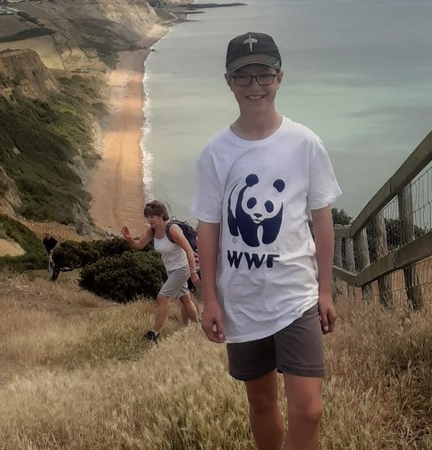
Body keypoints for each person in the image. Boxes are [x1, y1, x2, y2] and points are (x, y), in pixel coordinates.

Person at [190, 32, 342, 449]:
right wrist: (210, 298)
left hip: (296, 295)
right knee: (260, 402)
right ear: (228, 81)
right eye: (243, 76)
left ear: (280, 78)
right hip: (242, 299)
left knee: (308, 410)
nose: (254, 86)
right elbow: (209, 229)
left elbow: (322, 219)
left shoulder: (305, 143)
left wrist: (325, 290)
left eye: (264, 74)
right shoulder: (215, 153)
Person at [122, 200, 200, 342]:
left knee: (162, 297)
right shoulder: (152, 230)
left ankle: (155, 333)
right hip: (171, 270)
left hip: (182, 269)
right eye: (148, 217)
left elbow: (188, 249)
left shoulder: (172, 229)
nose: (149, 220)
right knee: (185, 299)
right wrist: (130, 240)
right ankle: (197, 327)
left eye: (152, 217)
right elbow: (139, 245)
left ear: (161, 216)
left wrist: (193, 272)